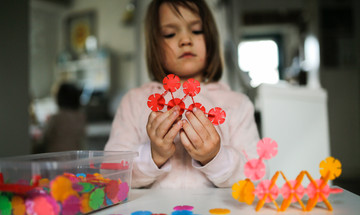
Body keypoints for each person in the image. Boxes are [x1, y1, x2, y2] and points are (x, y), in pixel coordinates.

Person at [105, 0, 260, 188]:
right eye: (170, 34)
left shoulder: (237, 105)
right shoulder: (134, 102)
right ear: (155, 45)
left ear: (210, 38)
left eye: (196, 30)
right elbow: (110, 172)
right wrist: (154, 155)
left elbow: (257, 176)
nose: (185, 40)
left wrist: (214, 157)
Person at [42, 82, 86, 152]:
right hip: (74, 157)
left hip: (56, 158)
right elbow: (82, 135)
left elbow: (44, 138)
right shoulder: (80, 116)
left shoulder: (56, 118)